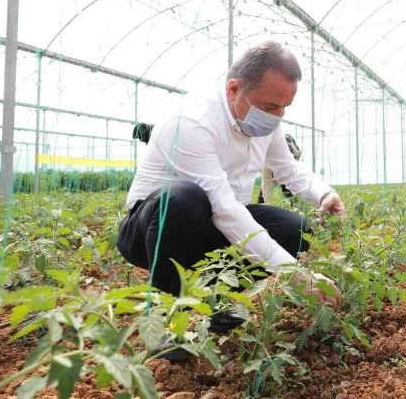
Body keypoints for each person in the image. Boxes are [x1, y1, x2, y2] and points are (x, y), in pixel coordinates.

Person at [117, 42, 345, 339]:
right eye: (269, 107)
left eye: (283, 107)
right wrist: (294, 273)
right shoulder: (190, 122)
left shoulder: (267, 122)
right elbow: (224, 209)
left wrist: (324, 194)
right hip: (153, 229)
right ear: (234, 89)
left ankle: (223, 304)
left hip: (215, 225)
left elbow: (286, 168)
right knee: (185, 199)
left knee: (296, 229)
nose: (277, 117)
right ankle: (167, 325)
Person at [259, 133, 302, 204]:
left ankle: (292, 204)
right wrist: (267, 204)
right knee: (264, 190)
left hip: (288, 164)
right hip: (269, 164)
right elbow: (266, 182)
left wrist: (280, 177)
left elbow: (296, 159)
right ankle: (263, 205)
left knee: (288, 185)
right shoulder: (267, 158)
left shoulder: (294, 151)